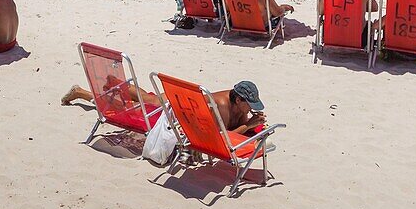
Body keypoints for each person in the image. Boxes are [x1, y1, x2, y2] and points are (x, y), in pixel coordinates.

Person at [62, 77, 270, 137]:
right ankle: (82, 92)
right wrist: (249, 124)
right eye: (249, 105)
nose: (250, 109)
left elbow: (241, 125)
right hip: (178, 111)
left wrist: (251, 123)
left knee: (147, 99)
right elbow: (223, 136)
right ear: (239, 100)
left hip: (185, 102)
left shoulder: (237, 104)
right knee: (137, 105)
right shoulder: (222, 106)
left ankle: (116, 83)